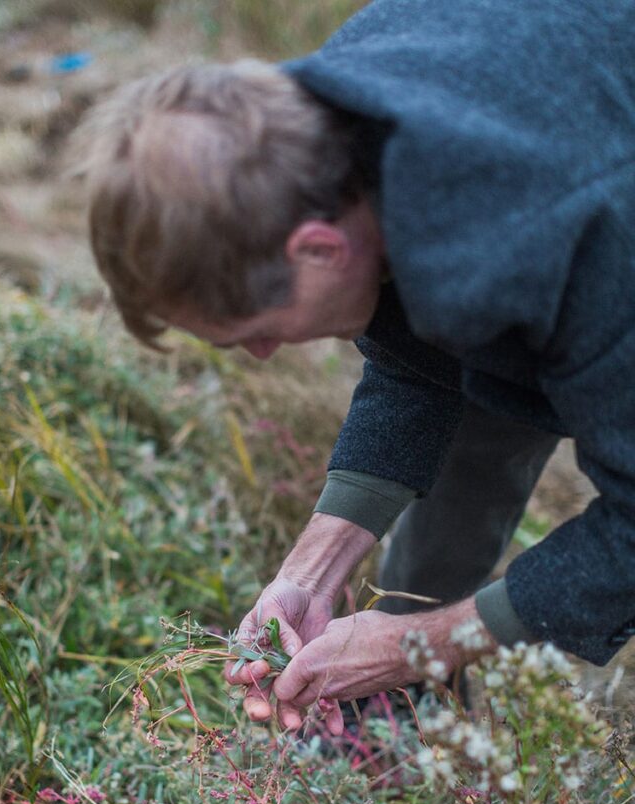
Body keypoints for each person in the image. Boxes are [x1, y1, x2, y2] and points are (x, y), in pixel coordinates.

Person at [80, 0, 635, 735]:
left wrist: (421, 647)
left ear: (317, 249)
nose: (264, 354)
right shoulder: (337, 114)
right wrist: (309, 572)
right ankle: (396, 717)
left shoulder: (576, 239)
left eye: (257, 332)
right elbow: (417, 341)